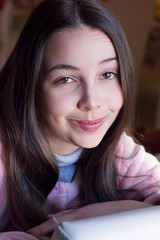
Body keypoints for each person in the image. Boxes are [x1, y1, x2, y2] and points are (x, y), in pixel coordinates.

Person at [0, 0, 160, 239]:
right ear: (29, 85)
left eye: (107, 74)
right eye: (65, 79)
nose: (92, 101)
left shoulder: (117, 149)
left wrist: (89, 216)